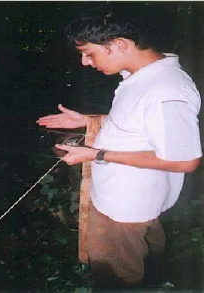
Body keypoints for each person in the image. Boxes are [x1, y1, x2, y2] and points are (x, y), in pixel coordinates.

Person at [37, 6, 202, 291]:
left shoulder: (164, 91)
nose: (85, 62)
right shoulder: (143, 77)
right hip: (136, 201)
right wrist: (88, 120)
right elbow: (140, 128)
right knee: (146, 259)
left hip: (123, 210)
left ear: (120, 45)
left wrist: (96, 154)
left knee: (116, 278)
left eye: (89, 53)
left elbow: (185, 161)